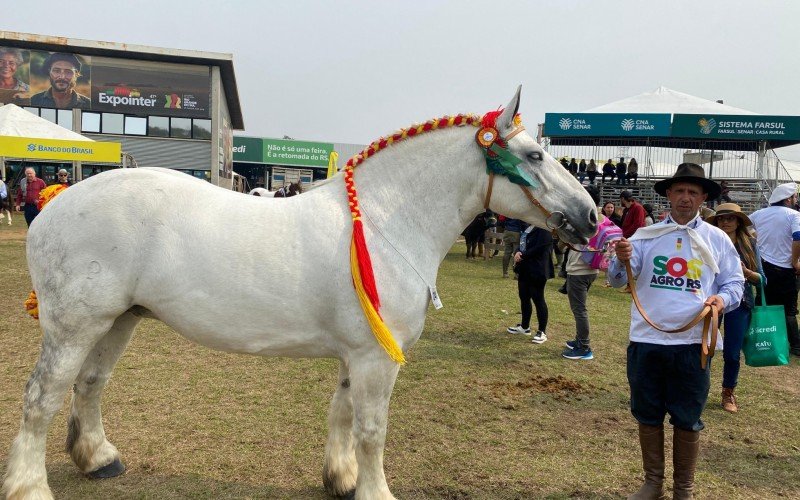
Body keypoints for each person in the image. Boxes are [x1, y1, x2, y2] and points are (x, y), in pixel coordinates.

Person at [608, 163, 743, 500]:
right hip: (647, 340)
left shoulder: (717, 239)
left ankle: (684, 488)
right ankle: (653, 483)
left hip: (692, 344)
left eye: (693, 192)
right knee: (647, 411)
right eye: (680, 190)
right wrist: (618, 259)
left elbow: (735, 284)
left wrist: (720, 300)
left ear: (703, 198)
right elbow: (619, 280)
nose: (685, 197)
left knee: (688, 416)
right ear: (668, 194)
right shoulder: (644, 236)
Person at [706, 204, 765, 413]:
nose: (726, 222)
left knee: (731, 353)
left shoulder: (749, 243)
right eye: (722, 218)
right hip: (711, 302)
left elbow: (762, 280)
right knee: (706, 348)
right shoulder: (707, 241)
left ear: (738, 221)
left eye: (731, 218)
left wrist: (745, 272)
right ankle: (700, 388)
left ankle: (728, 391)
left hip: (740, 303)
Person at [749, 182, 800, 357]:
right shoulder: (794, 215)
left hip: (763, 266)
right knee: (789, 309)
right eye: (794, 197)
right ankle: (795, 346)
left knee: (762, 303)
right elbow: (798, 237)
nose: (795, 199)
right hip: (786, 268)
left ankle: (757, 338)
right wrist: (795, 261)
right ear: (788, 199)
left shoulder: (758, 214)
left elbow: (745, 229)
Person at [561, 186, 602, 360]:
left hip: (579, 269)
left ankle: (584, 347)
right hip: (591, 268)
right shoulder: (600, 217)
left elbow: (566, 241)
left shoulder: (582, 217)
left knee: (579, 310)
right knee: (580, 309)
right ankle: (579, 340)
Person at [507, 225, 554, 344]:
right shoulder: (528, 227)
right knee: (524, 297)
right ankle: (524, 326)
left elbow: (540, 248)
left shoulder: (544, 229)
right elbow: (522, 242)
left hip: (537, 269)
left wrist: (522, 255)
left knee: (538, 299)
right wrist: (517, 251)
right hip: (524, 268)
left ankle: (542, 331)